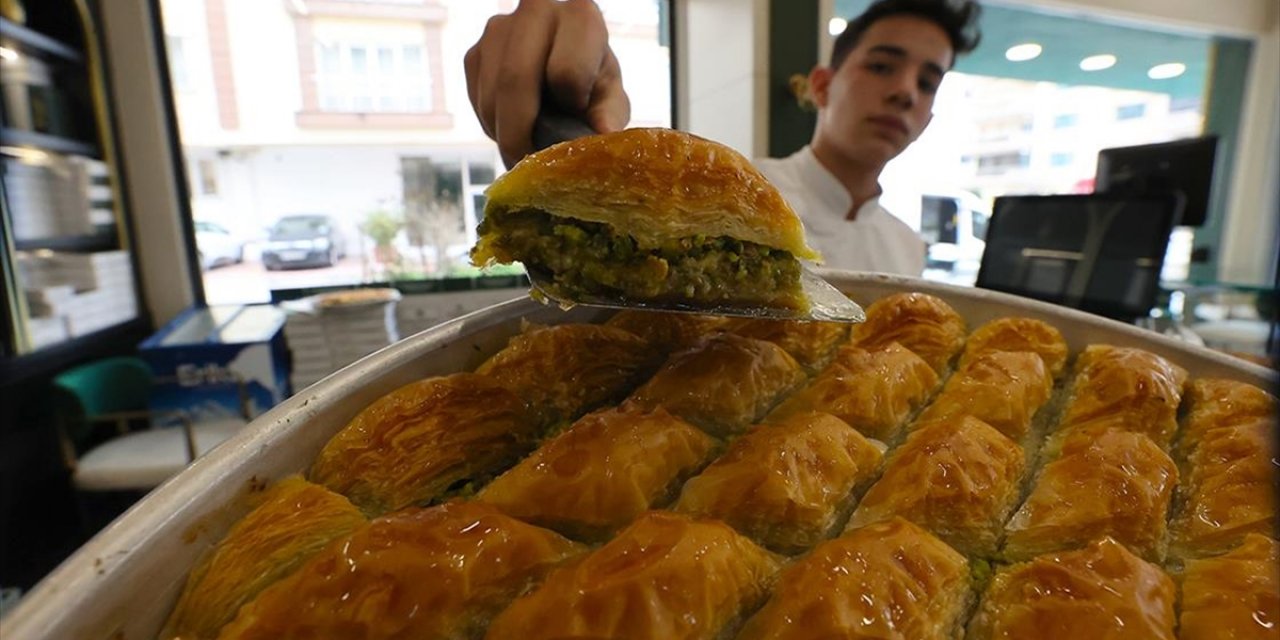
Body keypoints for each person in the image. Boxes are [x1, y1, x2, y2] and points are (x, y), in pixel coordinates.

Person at [464, 0, 981, 275]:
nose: (905, 93)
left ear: (931, 116)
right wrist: (560, 65)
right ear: (822, 86)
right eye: (882, 66)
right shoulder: (728, 199)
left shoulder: (907, 249)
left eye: (927, 81)